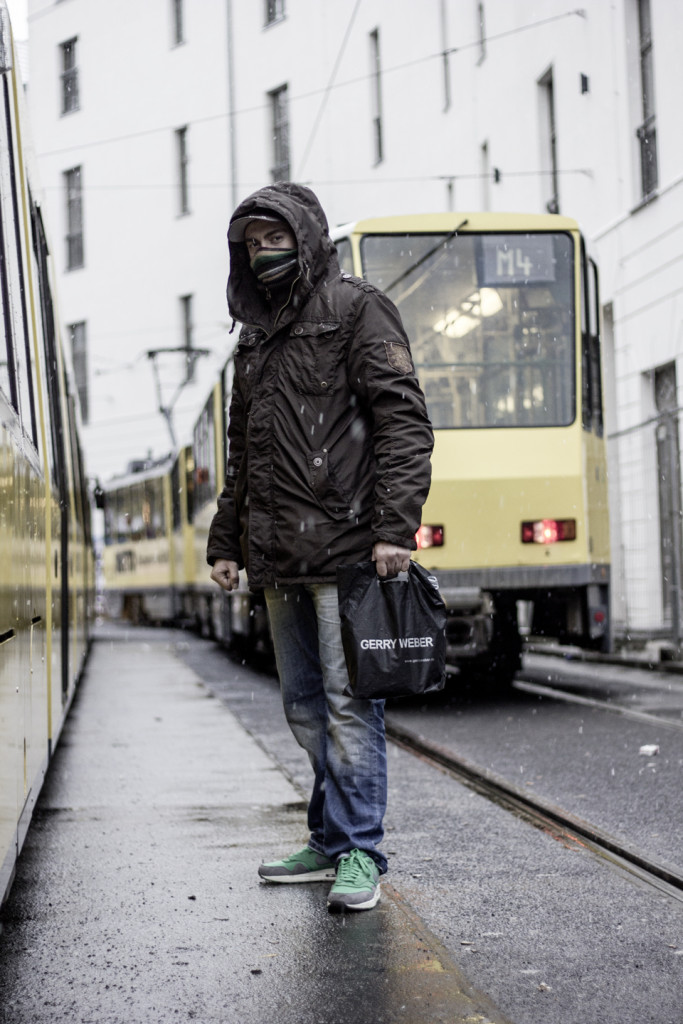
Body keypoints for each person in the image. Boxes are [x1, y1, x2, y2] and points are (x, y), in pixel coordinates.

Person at [207, 182, 433, 912]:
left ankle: (360, 850)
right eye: (250, 243)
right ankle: (330, 839)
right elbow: (243, 450)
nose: (261, 252)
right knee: (304, 707)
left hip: (343, 549)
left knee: (346, 703)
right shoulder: (254, 335)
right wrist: (226, 540)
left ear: (303, 238)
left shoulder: (356, 309)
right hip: (276, 558)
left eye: (272, 238)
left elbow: (401, 421)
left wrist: (395, 528)